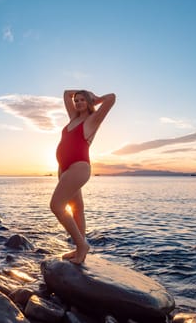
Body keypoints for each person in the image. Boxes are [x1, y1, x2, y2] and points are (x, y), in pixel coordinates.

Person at [50, 89, 116, 264]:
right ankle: (80, 249)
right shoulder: (73, 118)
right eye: (77, 100)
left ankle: (82, 245)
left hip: (78, 167)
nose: (78, 102)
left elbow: (111, 98)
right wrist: (80, 93)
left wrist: (95, 99)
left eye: (82, 100)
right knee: (77, 208)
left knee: (56, 206)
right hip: (63, 168)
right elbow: (65, 94)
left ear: (88, 102)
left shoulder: (92, 120)